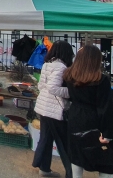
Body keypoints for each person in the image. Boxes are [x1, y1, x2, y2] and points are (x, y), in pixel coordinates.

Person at [62, 45, 113, 177]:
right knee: (105, 159)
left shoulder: (69, 76)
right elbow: (105, 108)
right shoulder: (101, 80)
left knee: (76, 156)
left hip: (75, 118)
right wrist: (108, 133)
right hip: (94, 122)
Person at [32, 40, 74, 178]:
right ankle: (71, 172)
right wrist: (71, 92)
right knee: (64, 143)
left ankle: (44, 168)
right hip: (55, 109)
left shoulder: (46, 65)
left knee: (46, 138)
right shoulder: (61, 67)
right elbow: (53, 88)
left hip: (43, 107)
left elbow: (41, 86)